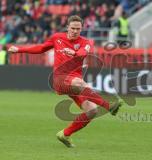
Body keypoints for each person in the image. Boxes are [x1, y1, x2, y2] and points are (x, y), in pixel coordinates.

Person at [8, 15, 122, 148]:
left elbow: (81, 54)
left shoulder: (87, 42)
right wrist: (19, 49)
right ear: (67, 27)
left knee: (92, 110)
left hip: (74, 81)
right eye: (73, 28)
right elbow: (41, 48)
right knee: (80, 84)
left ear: (81, 29)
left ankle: (64, 134)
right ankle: (109, 106)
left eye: (78, 29)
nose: (75, 31)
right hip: (60, 79)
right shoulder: (57, 37)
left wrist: (73, 53)